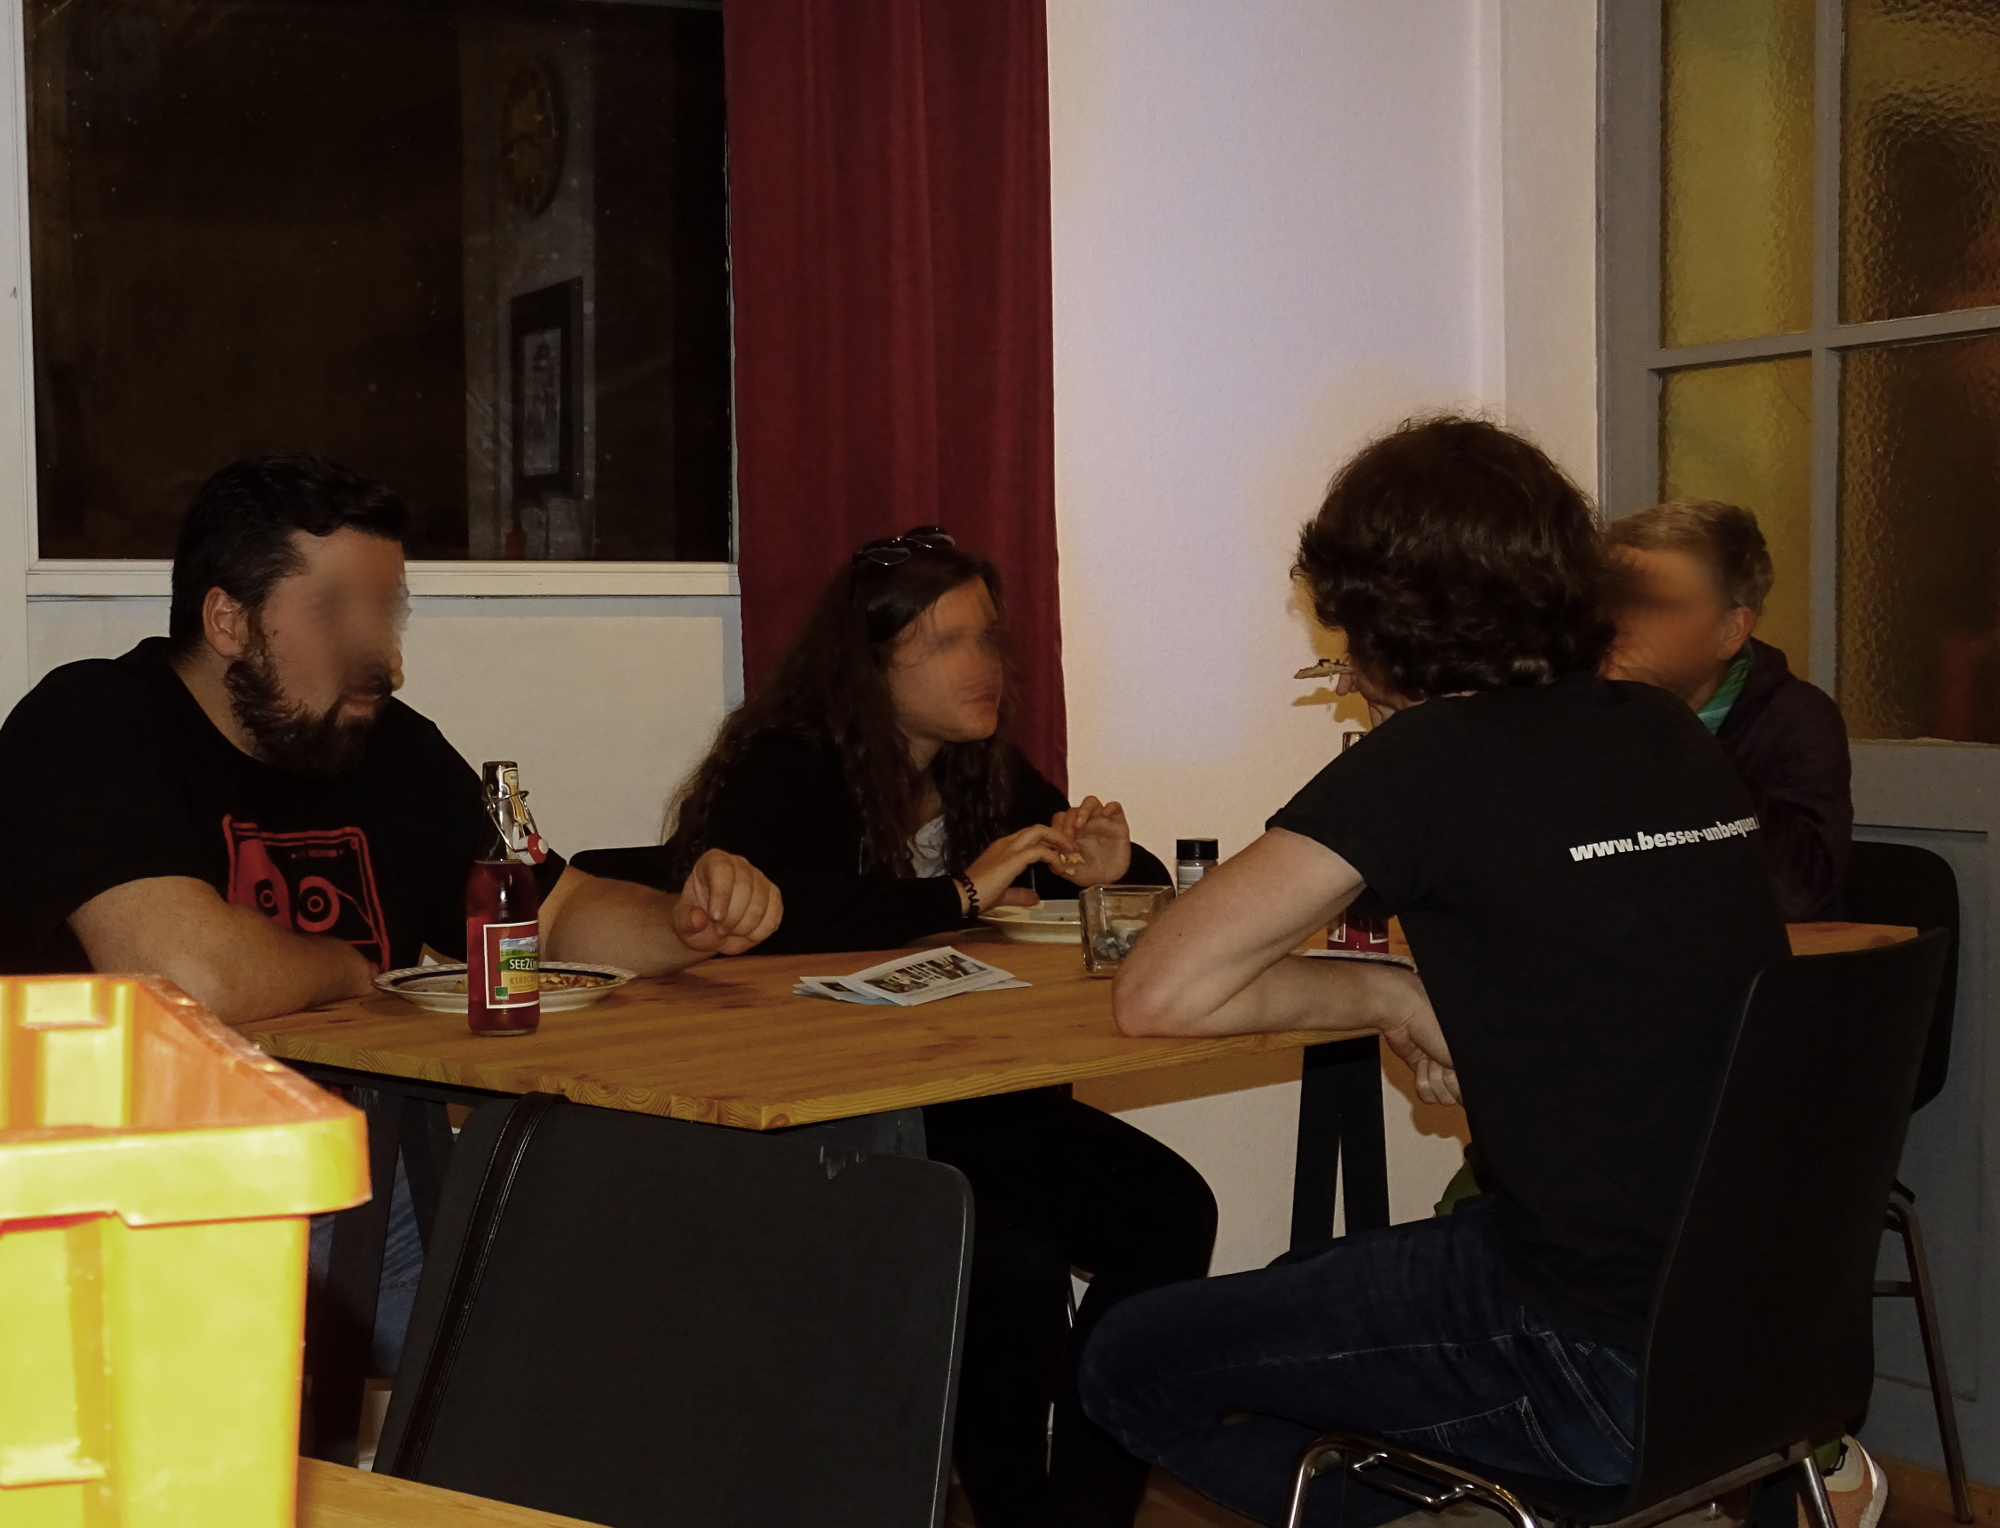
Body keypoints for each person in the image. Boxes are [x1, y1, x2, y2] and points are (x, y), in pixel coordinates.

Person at [1075, 418, 1790, 1528]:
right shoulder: (1663, 731)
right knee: (1342, 1287)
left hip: (1588, 1355)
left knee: (1130, 1360)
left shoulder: (1432, 758)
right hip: (1762, 1337)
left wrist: (1385, 992)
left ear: (1386, 620)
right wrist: (1420, 999)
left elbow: (1158, 989)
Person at [0, 453, 784, 1374]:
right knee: (564, 1341)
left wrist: (687, 923)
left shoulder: (385, 746)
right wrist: (350, 968)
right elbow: (186, 977)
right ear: (227, 621)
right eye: (336, 610)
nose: (384, 654)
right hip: (115, 1208)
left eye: (386, 609)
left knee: (659, 1282)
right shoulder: (91, 721)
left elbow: (549, 917)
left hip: (348, 1184)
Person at [584, 527, 1218, 1528]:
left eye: (990, 637)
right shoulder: (786, 762)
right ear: (871, 664)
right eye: (949, 642)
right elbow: (773, 911)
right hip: (836, 1123)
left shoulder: (982, 769)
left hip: (971, 1099)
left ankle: (1082, 1513)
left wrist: (1115, 870)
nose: (984, 664)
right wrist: (960, 891)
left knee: (1171, 1210)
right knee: (1010, 1262)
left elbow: (1088, 890)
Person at [1604, 499, 1851, 920]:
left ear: (1731, 631)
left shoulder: (1795, 719)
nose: (1622, 624)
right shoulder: (1579, 706)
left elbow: (1799, 894)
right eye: (1614, 599)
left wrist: (1669, 727)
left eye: (1657, 606)